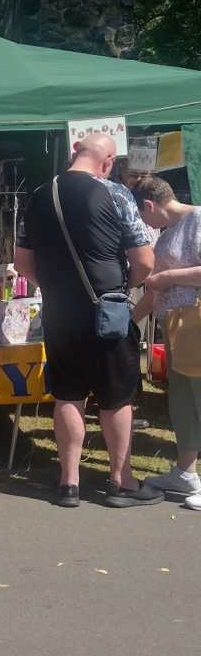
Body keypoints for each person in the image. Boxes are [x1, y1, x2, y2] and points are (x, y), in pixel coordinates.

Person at [15, 133, 159, 508]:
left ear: (74, 153)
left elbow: (22, 263)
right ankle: (121, 480)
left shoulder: (38, 195)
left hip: (60, 312)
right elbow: (144, 261)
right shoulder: (114, 194)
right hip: (107, 309)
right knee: (116, 396)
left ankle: (69, 482)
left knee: (67, 393)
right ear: (108, 161)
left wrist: (58, 288)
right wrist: (124, 286)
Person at [131, 176, 201, 510]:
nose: (143, 223)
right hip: (176, 324)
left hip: (195, 320)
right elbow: (152, 290)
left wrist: (170, 277)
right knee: (183, 401)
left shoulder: (198, 218)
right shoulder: (167, 232)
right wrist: (127, 322)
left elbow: (164, 279)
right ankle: (186, 471)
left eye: (141, 215)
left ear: (149, 205)